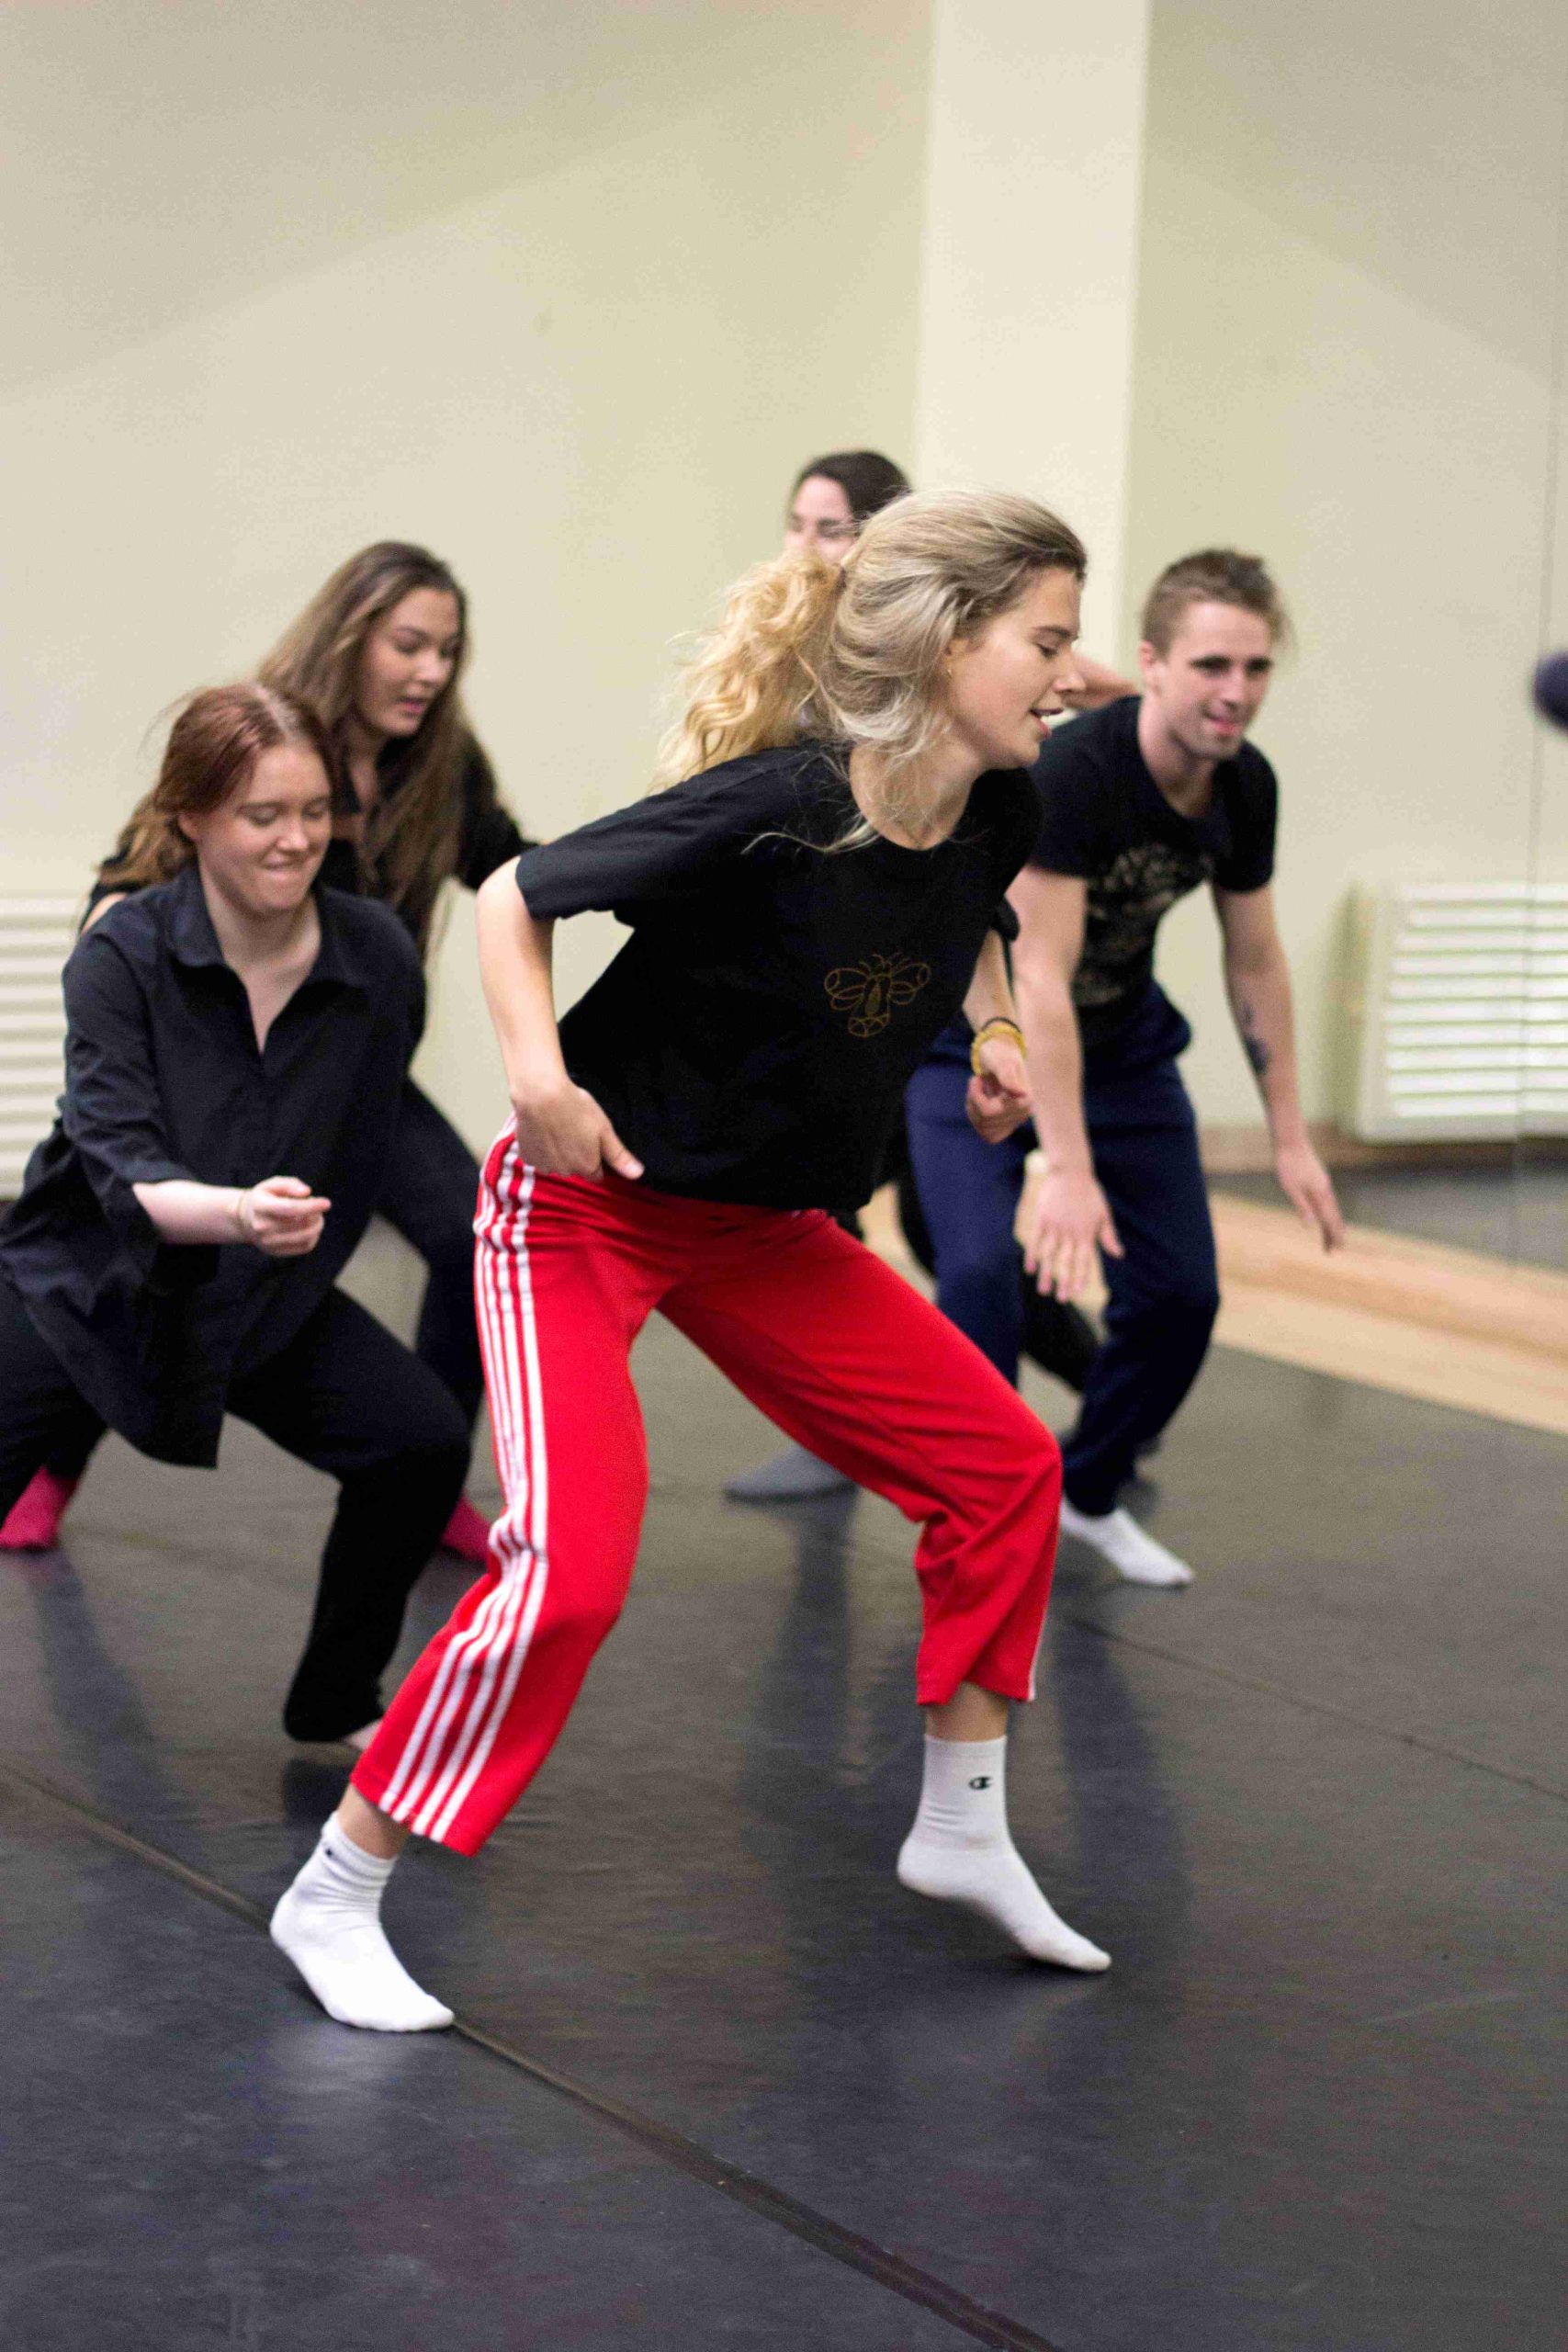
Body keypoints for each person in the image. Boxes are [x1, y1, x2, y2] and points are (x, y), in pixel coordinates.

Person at [271, 487, 1117, 2035]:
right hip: (585, 1210)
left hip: (767, 1229)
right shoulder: (779, 803)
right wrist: (536, 1079)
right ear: (947, 642)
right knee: (568, 1575)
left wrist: (993, 1028)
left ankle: (960, 1825)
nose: (1072, 673)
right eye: (1046, 641)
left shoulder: (997, 803)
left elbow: (980, 921)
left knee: (1003, 1468)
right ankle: (335, 1884)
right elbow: (517, 896)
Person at [2, 544, 531, 1564]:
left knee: (470, 1234)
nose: (429, 671)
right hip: (215, 1046)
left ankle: (423, 1476)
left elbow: (513, 865)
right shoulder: (269, 731)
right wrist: (118, 996)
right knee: (138, 1243)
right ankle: (58, 1455)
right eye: (408, 645)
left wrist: (648, 864)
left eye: (447, 651)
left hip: (340, 1061)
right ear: (352, 636)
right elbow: (139, 871)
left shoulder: (442, 766)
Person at [0, 686, 469, 1743]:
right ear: (193, 817)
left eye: (314, 811)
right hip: (80, 1282)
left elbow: (371, 1115)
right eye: (264, 815)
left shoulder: (375, 956)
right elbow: (122, 1171)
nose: (295, 838)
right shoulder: (122, 953)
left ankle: (336, 1697)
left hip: (254, 1291)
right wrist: (240, 1212)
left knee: (418, 1444)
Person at [906, 549, 1344, 1589]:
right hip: (980, 1040)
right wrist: (1065, 1167)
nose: (1235, 691)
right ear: (1151, 664)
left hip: (1125, 1052)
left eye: (1255, 667)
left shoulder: (1245, 784)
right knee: (977, 1277)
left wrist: (1289, 1137)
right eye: (1210, 665)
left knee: (1182, 1297)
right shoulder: (1079, 773)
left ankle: (1086, 1489)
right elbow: (1039, 977)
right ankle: (974, 1532)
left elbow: (1255, 957)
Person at [729, 454, 1130, 1504]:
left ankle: (1084, 1397)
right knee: (887, 1224)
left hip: (917, 1015)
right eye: (799, 521)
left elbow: (979, 886)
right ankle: (858, 1432)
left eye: (833, 527)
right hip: (844, 1009)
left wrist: (1150, 694)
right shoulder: (808, 682)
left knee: (940, 1236)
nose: (809, 545)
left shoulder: (971, 710)